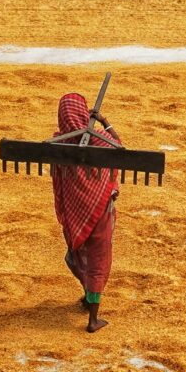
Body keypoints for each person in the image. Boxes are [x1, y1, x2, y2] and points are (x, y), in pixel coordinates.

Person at [50, 90, 123, 333]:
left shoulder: (59, 142)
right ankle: (93, 319)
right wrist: (104, 121)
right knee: (98, 260)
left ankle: (88, 296)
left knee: (78, 253)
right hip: (100, 211)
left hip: (74, 214)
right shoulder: (98, 139)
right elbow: (120, 148)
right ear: (83, 113)